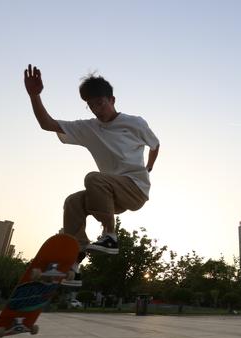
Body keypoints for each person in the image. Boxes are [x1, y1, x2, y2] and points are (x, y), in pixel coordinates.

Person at [24, 64, 160, 286]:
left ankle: (110, 236)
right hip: (107, 197)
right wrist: (34, 96)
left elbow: (155, 145)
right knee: (73, 202)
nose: (97, 109)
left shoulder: (135, 123)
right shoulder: (88, 128)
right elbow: (46, 124)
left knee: (93, 178)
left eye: (101, 103)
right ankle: (74, 264)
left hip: (134, 190)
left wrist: (149, 167)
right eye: (91, 105)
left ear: (112, 100)